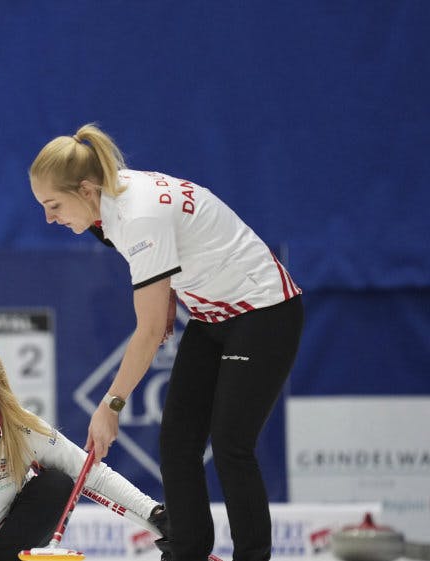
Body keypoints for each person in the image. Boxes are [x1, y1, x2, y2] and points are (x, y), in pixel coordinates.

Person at [29, 123, 304, 561]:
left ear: (84, 189)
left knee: (231, 443)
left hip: (263, 312)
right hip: (214, 312)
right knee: (177, 441)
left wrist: (111, 405)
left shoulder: (137, 216)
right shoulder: (110, 200)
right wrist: (173, 288)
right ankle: (186, 552)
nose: (49, 218)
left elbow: (151, 330)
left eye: (53, 205)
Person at [0, 326, 170, 561]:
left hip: (7, 550)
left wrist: (154, 514)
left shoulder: (22, 428)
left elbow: (91, 474)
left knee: (57, 482)